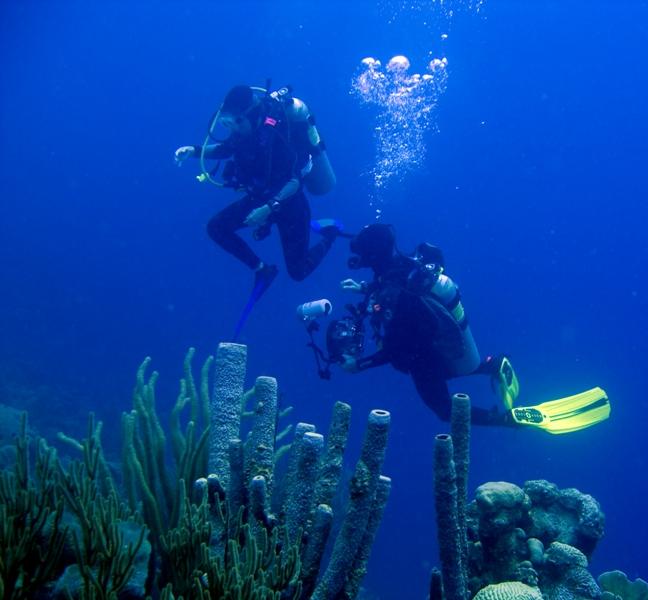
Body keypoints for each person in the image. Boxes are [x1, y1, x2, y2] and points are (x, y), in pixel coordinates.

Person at [330, 224, 611, 433]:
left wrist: (360, 364)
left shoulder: (393, 290)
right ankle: (493, 364)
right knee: (452, 369)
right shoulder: (404, 265)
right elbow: (393, 286)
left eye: (363, 255)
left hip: (422, 355)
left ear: (372, 255)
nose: (360, 261)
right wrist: (366, 288)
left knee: (444, 409)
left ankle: (508, 420)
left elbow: (393, 348)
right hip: (436, 344)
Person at [174, 84, 340, 299]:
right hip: (260, 198)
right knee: (216, 228)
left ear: (249, 115)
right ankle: (263, 270)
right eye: (226, 122)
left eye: (234, 122)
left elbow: (296, 179)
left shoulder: (278, 134)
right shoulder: (244, 130)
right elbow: (225, 149)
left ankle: (330, 235)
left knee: (298, 272)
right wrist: (194, 151)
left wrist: (269, 208)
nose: (231, 128)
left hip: (291, 205)